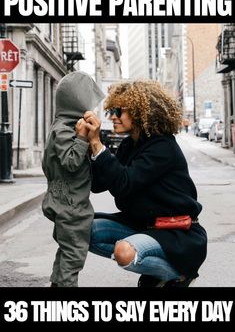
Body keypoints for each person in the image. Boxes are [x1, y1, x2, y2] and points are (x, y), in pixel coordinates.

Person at [76, 79, 207, 287]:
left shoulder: (163, 147)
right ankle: (153, 267)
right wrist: (85, 143)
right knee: (80, 230)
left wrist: (97, 144)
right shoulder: (130, 144)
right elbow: (99, 183)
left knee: (124, 252)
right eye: (112, 111)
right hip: (140, 225)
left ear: (140, 113)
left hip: (176, 233)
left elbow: (123, 183)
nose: (113, 117)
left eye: (120, 111)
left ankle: (175, 274)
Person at [41, 71, 104, 287]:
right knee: (73, 256)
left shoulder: (60, 126)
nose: (91, 106)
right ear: (76, 100)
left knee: (66, 253)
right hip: (71, 207)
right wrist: (81, 138)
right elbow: (71, 162)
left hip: (63, 202)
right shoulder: (67, 129)